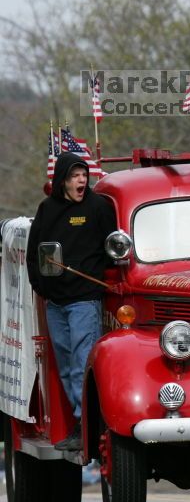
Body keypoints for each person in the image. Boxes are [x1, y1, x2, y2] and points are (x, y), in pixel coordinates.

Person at [26, 152, 117, 451]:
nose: (81, 180)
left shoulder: (99, 208)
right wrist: (41, 286)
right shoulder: (47, 209)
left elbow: (114, 246)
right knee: (65, 366)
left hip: (84, 302)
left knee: (81, 364)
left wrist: (95, 272)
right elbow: (33, 253)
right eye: (75, 176)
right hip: (56, 304)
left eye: (83, 175)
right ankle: (83, 423)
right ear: (62, 180)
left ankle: (87, 427)